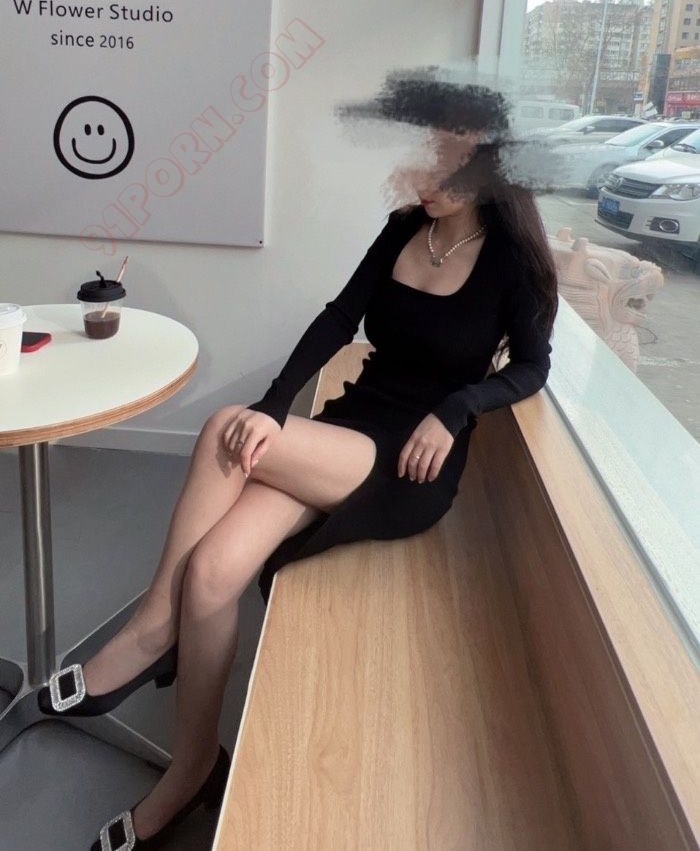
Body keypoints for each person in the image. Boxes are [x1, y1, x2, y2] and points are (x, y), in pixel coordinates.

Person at [36, 80, 558, 849]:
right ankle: (192, 769)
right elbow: (340, 317)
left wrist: (458, 409)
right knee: (211, 571)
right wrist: (277, 404)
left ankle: (151, 628)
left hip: (406, 463)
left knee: (226, 429)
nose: (426, 174)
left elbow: (534, 367)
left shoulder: (511, 262)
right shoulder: (404, 228)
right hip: (348, 426)